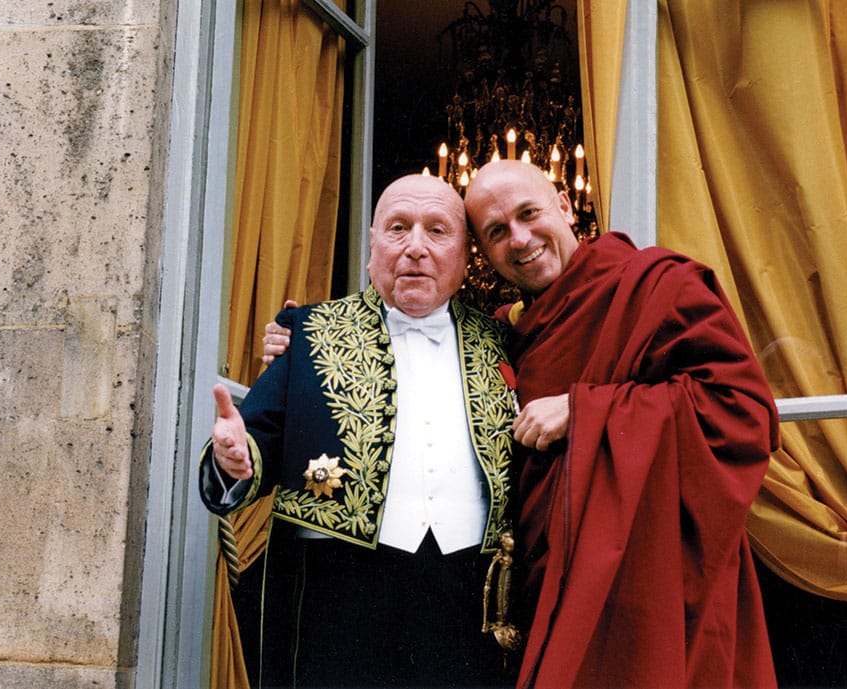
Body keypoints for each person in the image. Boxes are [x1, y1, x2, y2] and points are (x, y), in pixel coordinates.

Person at [461, 160, 780, 689]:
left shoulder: (654, 286)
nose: (519, 239)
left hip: (656, 581)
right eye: (497, 232)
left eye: (529, 213)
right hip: (549, 589)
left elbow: (742, 408)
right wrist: (301, 344)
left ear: (564, 206)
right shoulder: (501, 334)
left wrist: (585, 411)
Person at [201, 173, 519, 688]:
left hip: (466, 600)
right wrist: (235, 459)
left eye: (437, 231)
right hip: (338, 596)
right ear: (372, 247)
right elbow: (252, 438)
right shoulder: (306, 333)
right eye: (398, 228)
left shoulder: (504, 342)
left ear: (465, 256)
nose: (416, 247)